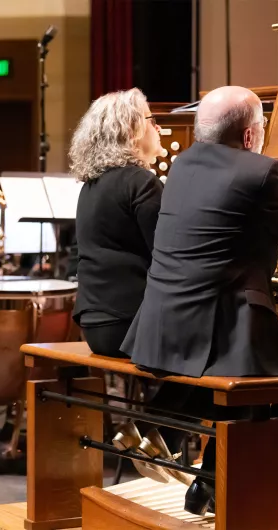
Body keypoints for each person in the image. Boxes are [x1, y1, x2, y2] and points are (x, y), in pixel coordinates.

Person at [120, 86, 278, 514]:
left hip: (165, 324)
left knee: (257, 387)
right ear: (248, 136)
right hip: (222, 324)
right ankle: (255, 471)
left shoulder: (183, 165)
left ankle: (207, 484)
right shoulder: (260, 172)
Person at [70, 87, 164, 358]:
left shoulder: (92, 185)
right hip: (130, 325)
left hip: (95, 324)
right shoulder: (141, 182)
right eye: (151, 120)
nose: (157, 127)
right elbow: (169, 255)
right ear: (132, 130)